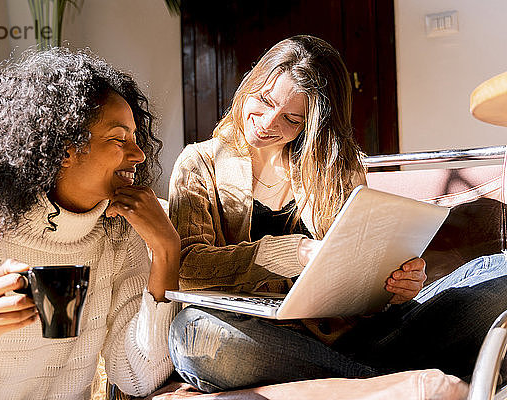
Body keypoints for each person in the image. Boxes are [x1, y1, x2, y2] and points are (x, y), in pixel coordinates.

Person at [167, 35, 507, 392]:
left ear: (313, 125)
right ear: (250, 83)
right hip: (271, 342)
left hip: (366, 334)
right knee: (193, 335)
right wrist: (290, 254)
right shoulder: (200, 163)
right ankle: (386, 383)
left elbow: (363, 279)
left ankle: (372, 380)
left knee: (501, 273)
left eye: (291, 119)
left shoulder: (334, 168)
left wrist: (398, 286)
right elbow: (188, 268)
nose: (268, 122)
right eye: (264, 101)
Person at [0, 48, 181, 399]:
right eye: (119, 139)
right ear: (65, 150)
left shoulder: (118, 235)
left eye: (136, 140)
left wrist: (165, 250)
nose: (139, 155)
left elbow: (138, 377)